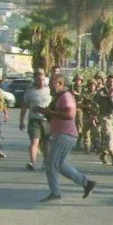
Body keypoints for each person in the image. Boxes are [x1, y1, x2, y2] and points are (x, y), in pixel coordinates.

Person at [36, 72, 96, 202]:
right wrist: (44, 112)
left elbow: (70, 115)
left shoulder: (66, 96)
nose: (49, 87)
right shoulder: (59, 97)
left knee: (51, 163)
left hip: (65, 134)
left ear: (60, 83)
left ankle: (55, 193)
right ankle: (86, 183)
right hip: (61, 134)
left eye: (51, 84)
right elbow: (56, 114)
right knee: (61, 164)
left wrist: (50, 112)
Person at [19, 69, 51, 171]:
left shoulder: (50, 90)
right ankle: (32, 162)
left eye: (42, 79)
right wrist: (21, 121)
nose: (41, 81)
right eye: (38, 79)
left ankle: (46, 162)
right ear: (35, 80)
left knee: (46, 142)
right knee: (34, 142)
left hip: (46, 120)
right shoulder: (30, 91)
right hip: (34, 120)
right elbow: (24, 106)